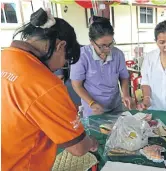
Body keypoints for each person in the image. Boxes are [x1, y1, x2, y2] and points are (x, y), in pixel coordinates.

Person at [1, 8, 98, 171]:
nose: (61, 66)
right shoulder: (45, 84)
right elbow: (78, 148)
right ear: (61, 46)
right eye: (66, 60)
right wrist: (91, 142)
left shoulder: (5, 57)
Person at [70, 16, 131, 117]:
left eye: (110, 44)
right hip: (93, 108)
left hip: (115, 106)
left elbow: (123, 77)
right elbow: (76, 85)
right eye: (102, 46)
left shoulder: (118, 54)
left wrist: (126, 95)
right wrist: (91, 103)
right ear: (91, 42)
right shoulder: (82, 56)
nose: (107, 49)